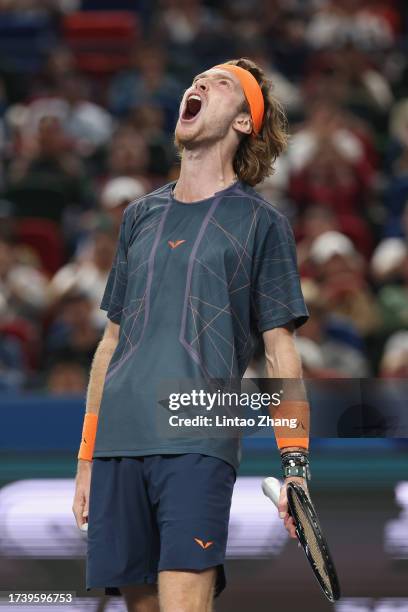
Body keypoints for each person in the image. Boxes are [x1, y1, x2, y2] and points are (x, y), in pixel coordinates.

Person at [72, 58, 310, 612]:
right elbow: (111, 343)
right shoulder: (138, 216)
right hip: (118, 441)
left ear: (244, 122)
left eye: (220, 83)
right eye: (197, 79)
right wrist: (87, 456)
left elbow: (280, 350)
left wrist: (294, 463)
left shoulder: (262, 222)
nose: (199, 84)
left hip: (199, 427)